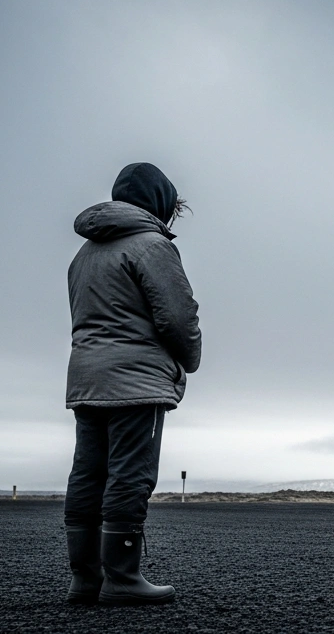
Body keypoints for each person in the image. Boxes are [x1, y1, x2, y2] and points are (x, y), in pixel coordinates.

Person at [62, 162, 202, 605]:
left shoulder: (83, 254)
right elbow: (177, 316)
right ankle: (122, 579)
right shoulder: (151, 246)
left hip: (87, 377)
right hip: (136, 381)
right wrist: (190, 359)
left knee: (88, 473)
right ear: (161, 204)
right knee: (130, 474)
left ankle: (86, 580)